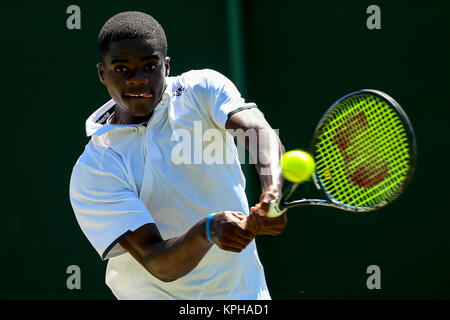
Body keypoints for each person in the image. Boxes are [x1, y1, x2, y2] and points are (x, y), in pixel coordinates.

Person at [69, 11, 287, 300]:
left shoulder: (202, 91)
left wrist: (272, 192)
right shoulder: (96, 168)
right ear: (102, 73)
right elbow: (158, 263)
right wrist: (208, 229)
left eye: (150, 66)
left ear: (166, 67)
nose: (138, 80)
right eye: (122, 69)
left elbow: (260, 133)